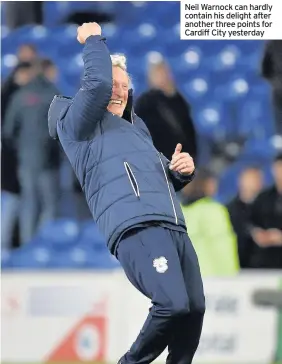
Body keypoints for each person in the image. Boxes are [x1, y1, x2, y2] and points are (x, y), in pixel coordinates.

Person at [48, 23, 205, 364]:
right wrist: (92, 38)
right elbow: (99, 82)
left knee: (193, 310)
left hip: (173, 224)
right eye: (112, 86)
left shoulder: (137, 128)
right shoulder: (77, 124)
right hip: (137, 226)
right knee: (172, 304)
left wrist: (180, 171)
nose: (117, 91)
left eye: (124, 85)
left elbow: (160, 176)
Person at [3, 61, 61, 245]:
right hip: (48, 161)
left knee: (28, 203)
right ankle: (43, 245)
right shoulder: (53, 94)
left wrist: (21, 148)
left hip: (25, 160)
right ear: (49, 71)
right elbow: (63, 129)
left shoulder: (20, 95)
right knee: (50, 205)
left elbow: (8, 131)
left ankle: (28, 246)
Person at [135, 55, 198, 162]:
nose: (162, 76)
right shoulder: (145, 102)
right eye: (157, 73)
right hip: (159, 162)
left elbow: (188, 129)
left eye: (163, 72)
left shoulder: (178, 99)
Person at [181, 169, 239, 277]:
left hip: (187, 278)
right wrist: (232, 275)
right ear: (207, 183)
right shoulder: (214, 210)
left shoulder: (178, 210)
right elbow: (222, 246)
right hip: (214, 278)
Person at [249, 154, 282, 269]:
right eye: (278, 167)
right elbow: (250, 221)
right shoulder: (263, 197)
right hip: (265, 261)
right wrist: (257, 234)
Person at [227, 167, 263, 268]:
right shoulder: (230, 208)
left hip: (262, 263)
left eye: (258, 179)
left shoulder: (264, 205)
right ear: (241, 181)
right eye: (252, 179)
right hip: (239, 261)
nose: (256, 183)